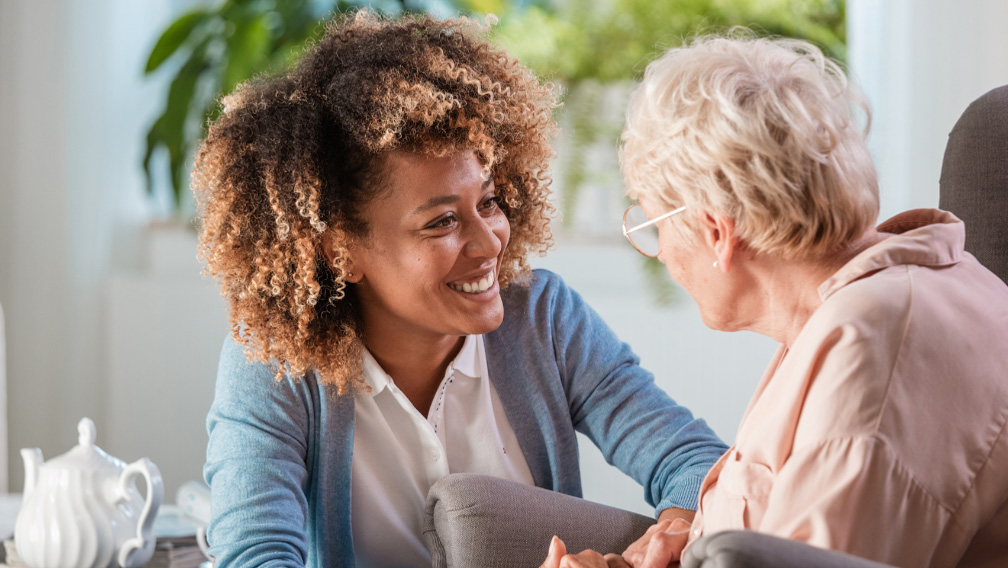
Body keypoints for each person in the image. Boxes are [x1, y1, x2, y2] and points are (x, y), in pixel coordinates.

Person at [193, 10, 728, 568]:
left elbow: (696, 463)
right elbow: (253, 556)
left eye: (489, 202)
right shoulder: (275, 362)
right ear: (340, 250)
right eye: (441, 222)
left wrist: (668, 536)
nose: (490, 241)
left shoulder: (544, 319)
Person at [542, 32, 1008, 568]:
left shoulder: (872, 348)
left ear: (716, 232)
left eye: (654, 225)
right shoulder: (853, 310)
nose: (662, 255)